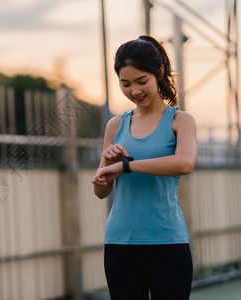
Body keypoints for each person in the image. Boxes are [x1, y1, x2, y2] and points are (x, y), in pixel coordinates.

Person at [91, 35, 197, 300]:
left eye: (141, 81)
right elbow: (102, 191)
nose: (134, 91)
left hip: (168, 242)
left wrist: (126, 167)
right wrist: (104, 174)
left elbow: (184, 163)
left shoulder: (181, 120)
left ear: (159, 73)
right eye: (125, 84)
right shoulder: (115, 125)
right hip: (119, 242)